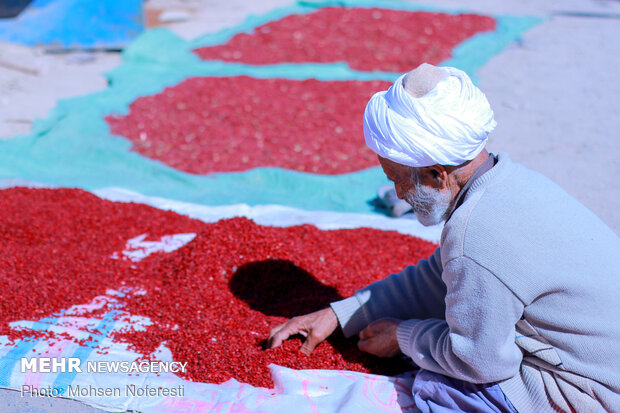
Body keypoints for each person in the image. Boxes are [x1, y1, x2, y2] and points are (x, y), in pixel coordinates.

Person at [267, 63, 620, 412]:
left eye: (397, 178)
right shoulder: (511, 180)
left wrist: (403, 337)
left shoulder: (476, 233)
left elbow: (481, 363)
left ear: (437, 174)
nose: (398, 193)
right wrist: (341, 313)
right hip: (604, 364)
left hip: (595, 392)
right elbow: (442, 277)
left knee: (437, 388)